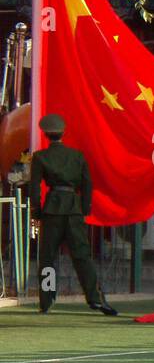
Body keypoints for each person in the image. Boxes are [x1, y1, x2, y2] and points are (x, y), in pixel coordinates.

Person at [29, 113, 116, 315]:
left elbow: (34, 188)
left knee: (48, 258)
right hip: (73, 209)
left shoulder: (41, 157)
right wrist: (84, 208)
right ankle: (95, 298)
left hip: (52, 209)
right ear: (63, 133)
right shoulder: (77, 156)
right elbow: (87, 184)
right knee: (82, 256)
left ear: (45, 134)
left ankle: (47, 300)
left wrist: (37, 211)